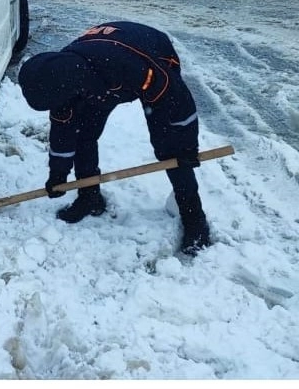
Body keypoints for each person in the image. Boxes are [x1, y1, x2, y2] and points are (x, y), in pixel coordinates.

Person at [18, 20, 211, 256]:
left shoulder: (132, 68)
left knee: (169, 149)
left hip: (150, 54)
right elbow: (63, 131)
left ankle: (194, 218)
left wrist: (188, 147)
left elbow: (177, 101)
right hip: (97, 70)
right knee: (83, 135)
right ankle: (89, 197)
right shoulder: (60, 78)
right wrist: (58, 174)